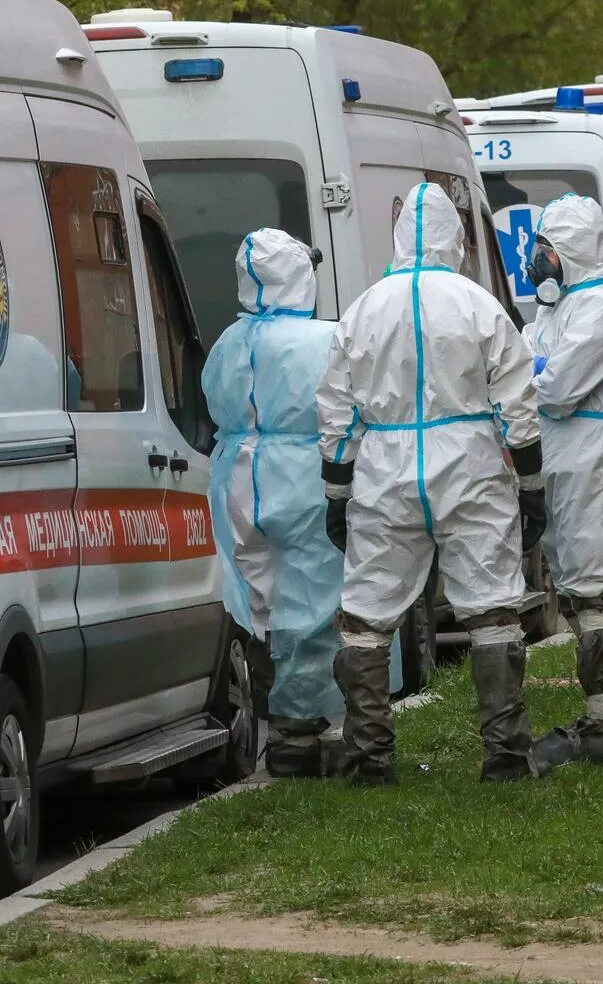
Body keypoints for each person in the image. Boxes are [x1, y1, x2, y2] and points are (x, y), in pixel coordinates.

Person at [317, 183, 547, 786]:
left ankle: (368, 756)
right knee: (492, 607)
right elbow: (518, 402)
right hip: (469, 462)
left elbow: (336, 412)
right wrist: (530, 482)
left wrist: (336, 493)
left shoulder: (363, 309)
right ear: (457, 237)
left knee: (367, 615)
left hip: (386, 467)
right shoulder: (478, 304)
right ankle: (505, 753)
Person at [203, 228, 344, 777]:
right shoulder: (324, 339)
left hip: (238, 480)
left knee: (258, 607)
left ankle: (275, 722)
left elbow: (213, 401)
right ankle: (308, 730)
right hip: (305, 476)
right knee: (312, 605)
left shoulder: (227, 344)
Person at [521, 193, 603, 770]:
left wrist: (537, 373)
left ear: (570, 249)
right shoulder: (557, 310)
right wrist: (536, 371)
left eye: (547, 248)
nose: (537, 259)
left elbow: (552, 389)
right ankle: (602, 715)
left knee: (595, 583)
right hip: (561, 452)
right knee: (572, 582)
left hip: (592, 453)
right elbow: (523, 372)